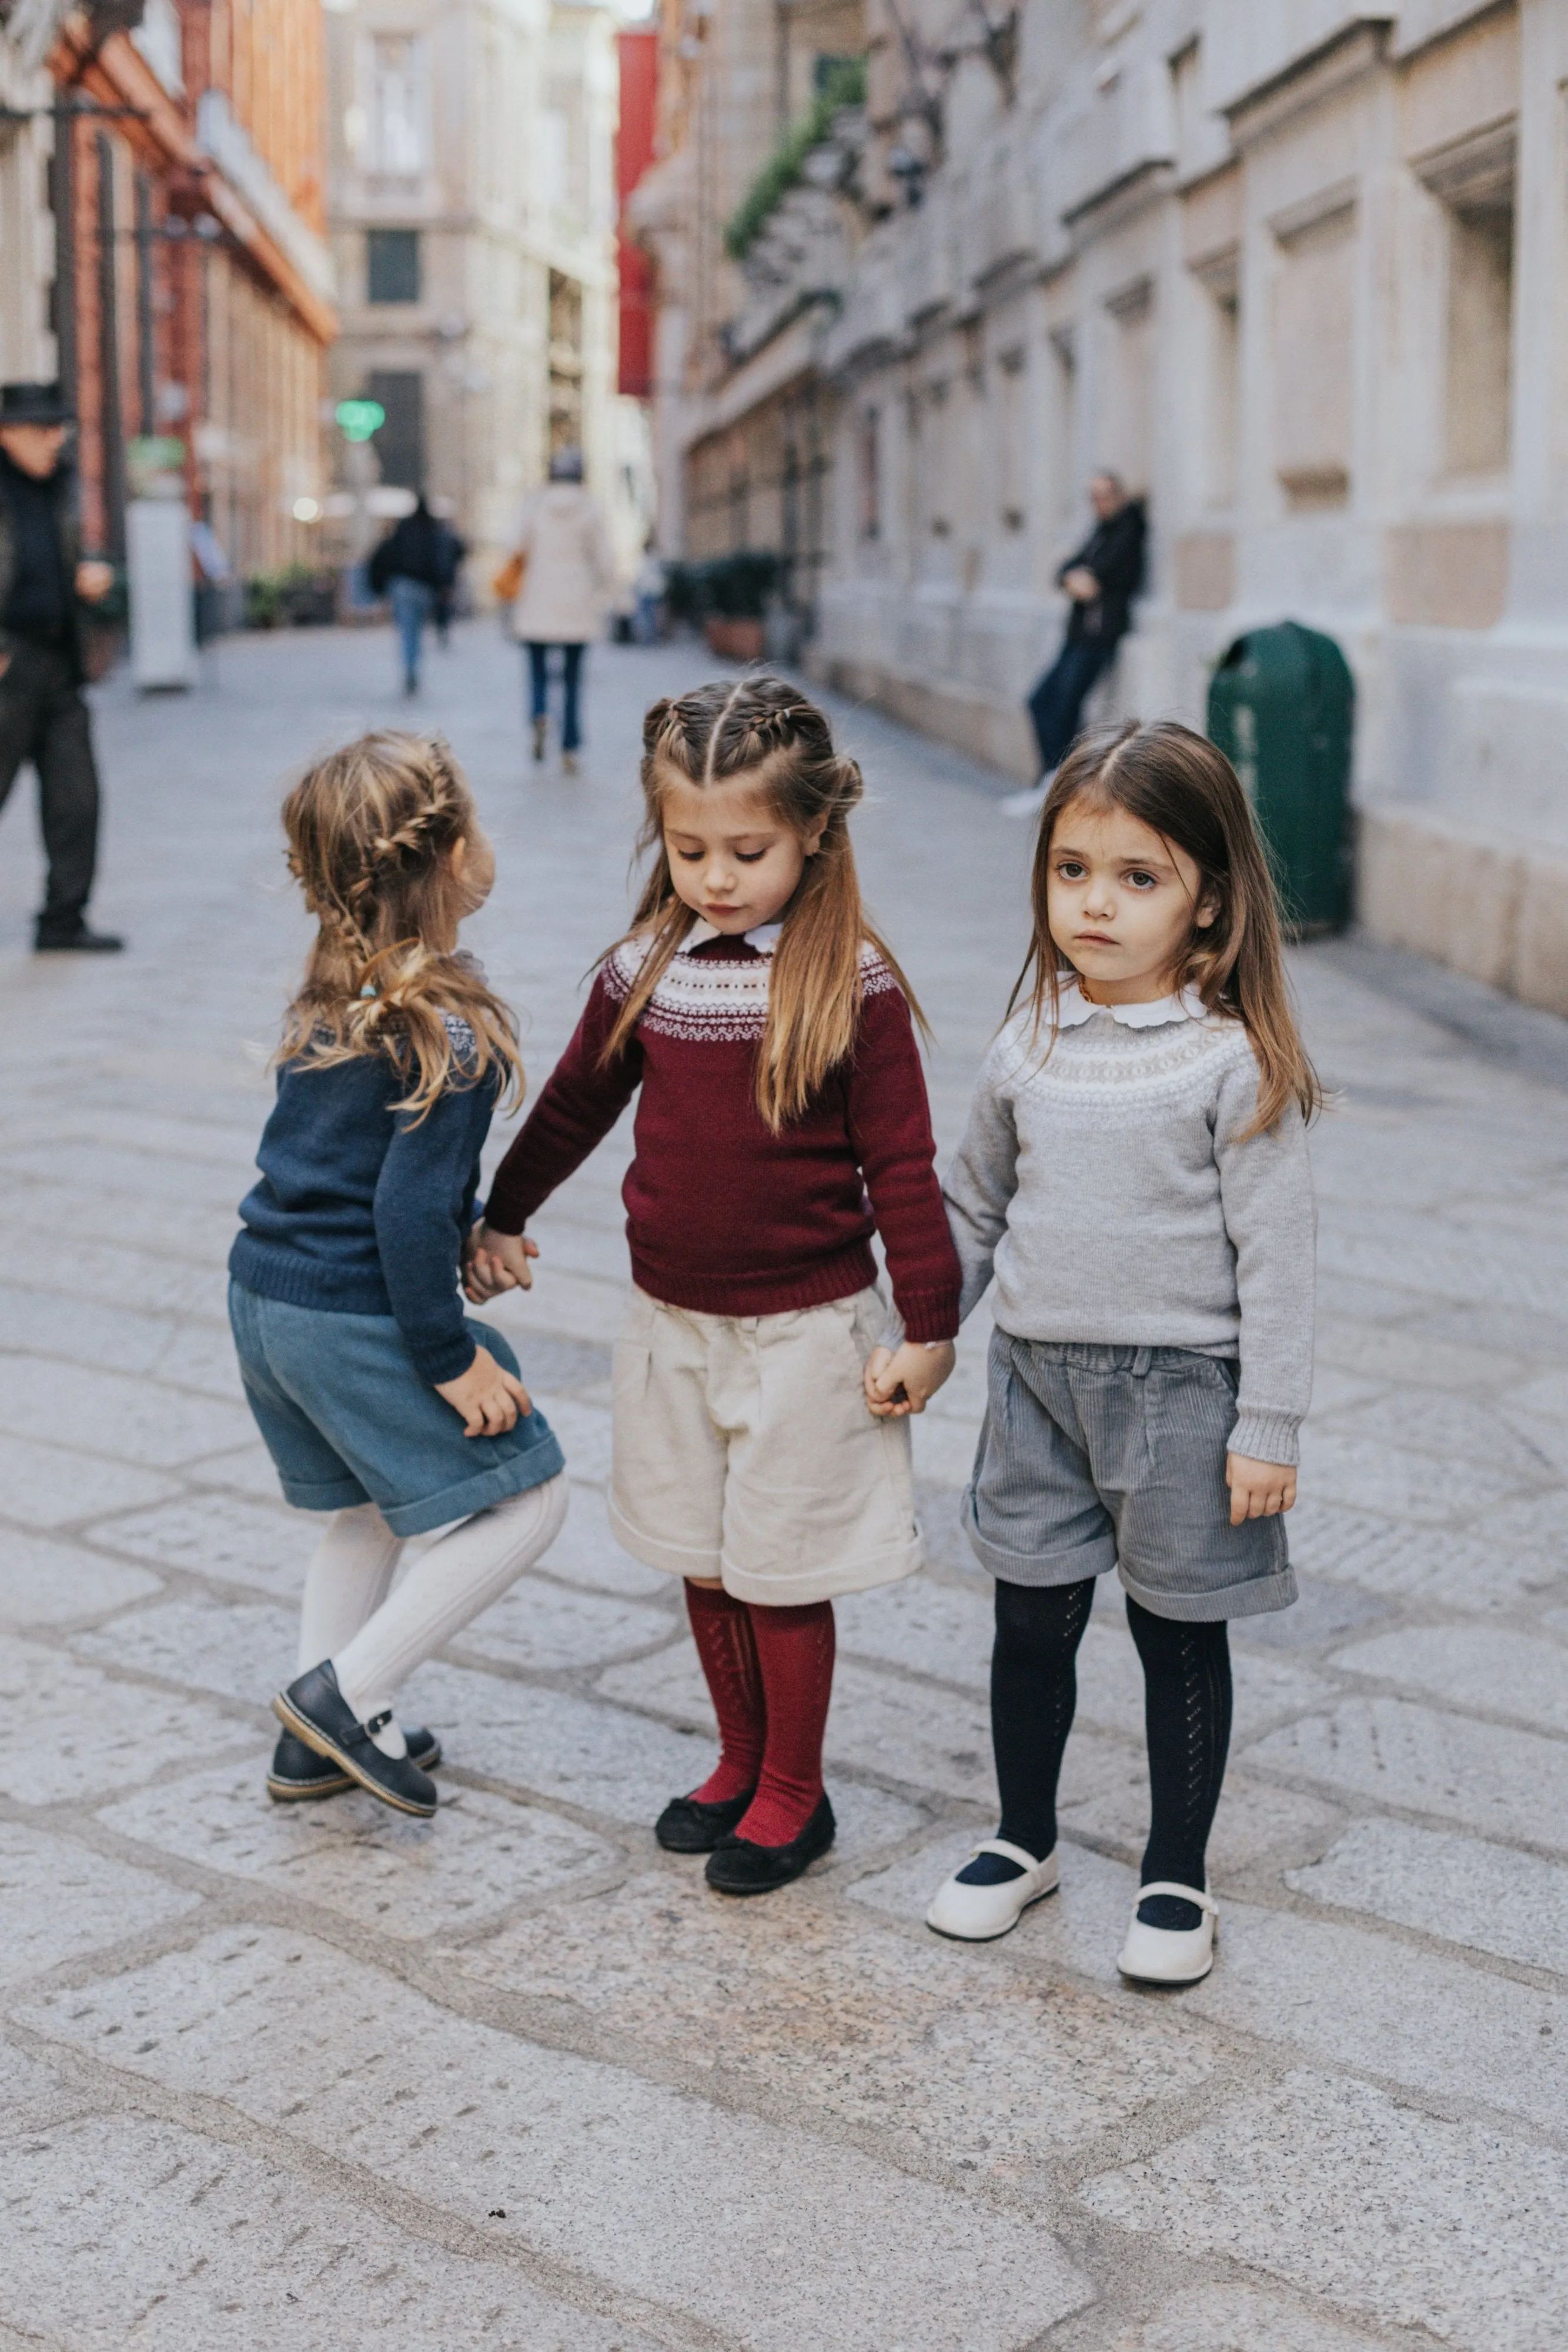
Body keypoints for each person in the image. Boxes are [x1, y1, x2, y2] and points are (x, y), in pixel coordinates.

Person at [466, 677, 961, 1891]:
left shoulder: (851, 982)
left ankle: (795, 1790)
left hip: (807, 1330)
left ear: (812, 836)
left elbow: (901, 1159)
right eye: (689, 849)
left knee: (780, 1568)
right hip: (672, 1322)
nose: (717, 877)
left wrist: (930, 1323)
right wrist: (501, 1210)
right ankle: (737, 1761)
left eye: (748, 850)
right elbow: (578, 1098)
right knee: (701, 1554)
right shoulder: (648, 965)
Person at [874, 720, 1319, 1984]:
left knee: (1180, 1633)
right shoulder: (1030, 1038)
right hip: (1033, 1383)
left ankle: (1175, 1867)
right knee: (1030, 1620)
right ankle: (1023, 1838)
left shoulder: (1232, 1063)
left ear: (1208, 899)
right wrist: (926, 1332)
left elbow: (1278, 1259)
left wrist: (1267, 1424)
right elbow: (972, 1201)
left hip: (1184, 1397)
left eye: (1138, 877)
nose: (1096, 902)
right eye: (1072, 870)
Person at [228, 730, 567, 1816]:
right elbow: (401, 1206)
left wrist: (472, 1229)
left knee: (370, 1508)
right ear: (457, 851)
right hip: (352, 1313)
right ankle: (347, 1695)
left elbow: (360, 1171)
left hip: (268, 1295)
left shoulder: (342, 996)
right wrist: (448, 1352)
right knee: (531, 1496)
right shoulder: (451, 1030)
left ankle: (314, 1735)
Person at [0, 380, 121, 952]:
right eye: (43, 429)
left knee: (77, 799)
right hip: (7, 663)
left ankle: (63, 921)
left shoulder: (63, 485)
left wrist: (89, 577)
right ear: (9, 433)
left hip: (60, 661)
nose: (56, 439)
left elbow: (75, 550)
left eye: (59, 427)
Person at [1002, 474, 1146, 820]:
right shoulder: (1100, 532)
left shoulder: (1129, 531)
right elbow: (1066, 572)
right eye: (1093, 498)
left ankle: (1062, 784)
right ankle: (1055, 778)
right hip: (1077, 636)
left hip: (1099, 637)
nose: (1098, 504)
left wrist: (1084, 578)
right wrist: (1073, 577)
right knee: (1040, 701)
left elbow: (1101, 576)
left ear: (1119, 495)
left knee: (1065, 707)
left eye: (1104, 497)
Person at [506, 448, 615, 774]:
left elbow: (511, 544)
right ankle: (569, 745)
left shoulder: (534, 504)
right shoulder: (590, 507)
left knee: (537, 671)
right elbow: (606, 561)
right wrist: (604, 592)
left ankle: (539, 715)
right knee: (572, 679)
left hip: (537, 598)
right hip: (576, 601)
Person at [367, 493, 456, 696]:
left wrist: (380, 586)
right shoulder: (434, 530)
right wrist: (444, 585)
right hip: (424, 588)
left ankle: (409, 668)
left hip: (402, 585)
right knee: (417, 631)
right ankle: (414, 668)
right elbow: (442, 559)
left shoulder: (403, 528)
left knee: (407, 631)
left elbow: (386, 553)